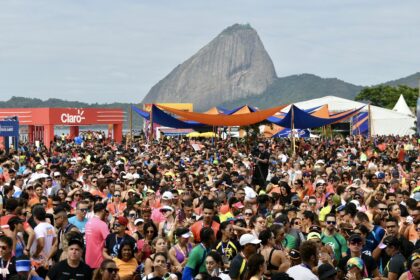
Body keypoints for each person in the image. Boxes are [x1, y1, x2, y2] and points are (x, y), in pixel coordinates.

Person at [30, 205, 56, 278]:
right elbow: (54, 243)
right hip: (48, 261)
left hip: (39, 262)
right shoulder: (50, 227)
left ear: (34, 216)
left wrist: (35, 254)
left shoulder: (38, 228)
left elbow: (41, 244)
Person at [85, 202, 110, 269]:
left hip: (88, 260)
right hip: (99, 261)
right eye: (106, 211)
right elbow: (109, 241)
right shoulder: (102, 224)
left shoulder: (88, 223)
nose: (106, 213)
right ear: (102, 210)